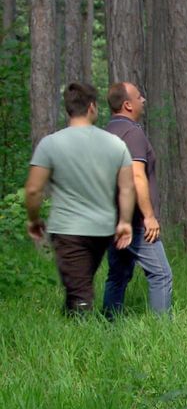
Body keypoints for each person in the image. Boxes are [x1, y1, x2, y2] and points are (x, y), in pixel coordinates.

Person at [25, 82, 135, 315]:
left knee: (80, 294)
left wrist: (33, 220)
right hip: (102, 229)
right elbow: (127, 188)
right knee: (78, 286)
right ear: (92, 107)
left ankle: (85, 345)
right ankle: (71, 333)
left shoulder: (50, 144)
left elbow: (33, 190)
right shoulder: (116, 145)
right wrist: (124, 222)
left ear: (68, 110)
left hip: (67, 230)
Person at [102, 82, 173, 317]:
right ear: (127, 105)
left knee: (118, 274)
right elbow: (136, 175)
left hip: (112, 219)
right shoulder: (132, 133)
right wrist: (149, 216)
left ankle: (108, 326)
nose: (143, 100)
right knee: (161, 274)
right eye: (139, 97)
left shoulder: (106, 133)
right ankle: (161, 336)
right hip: (135, 222)